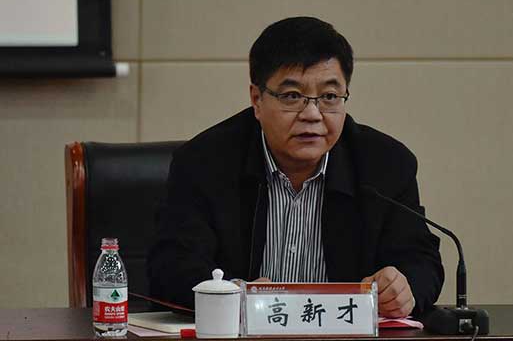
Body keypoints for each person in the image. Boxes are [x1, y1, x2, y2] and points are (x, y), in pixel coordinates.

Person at [147, 17, 444, 318]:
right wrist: (229, 296)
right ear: (256, 100)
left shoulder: (386, 166)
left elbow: (421, 260)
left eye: (329, 97)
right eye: (292, 96)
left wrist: (403, 287)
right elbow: (170, 267)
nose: (312, 114)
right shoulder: (204, 163)